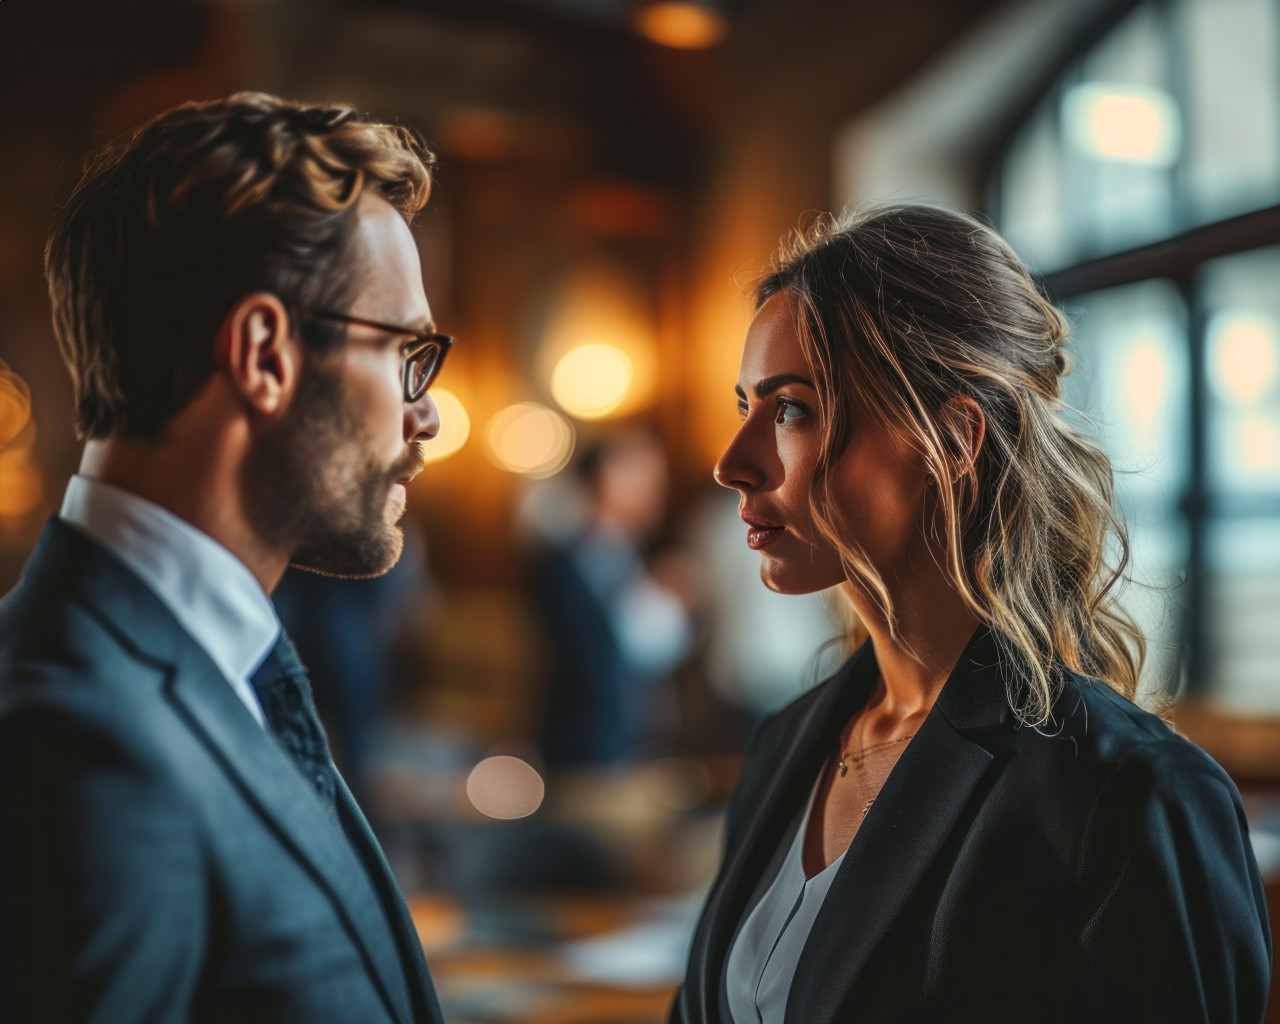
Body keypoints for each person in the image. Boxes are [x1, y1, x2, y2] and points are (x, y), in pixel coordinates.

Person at [672, 205, 1271, 1023]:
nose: (731, 463)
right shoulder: (788, 743)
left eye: (791, 410)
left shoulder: (1132, 799)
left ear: (952, 439)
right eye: (745, 406)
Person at [0, 92, 451, 1023]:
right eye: (403, 350)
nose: (428, 415)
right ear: (264, 354)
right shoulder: (79, 744)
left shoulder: (200, 660)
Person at [530, 430, 694, 768]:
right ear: (605, 479)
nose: (656, 491)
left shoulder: (632, 553)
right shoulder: (567, 559)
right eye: (643, 476)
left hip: (637, 742)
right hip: (587, 745)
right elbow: (593, 658)